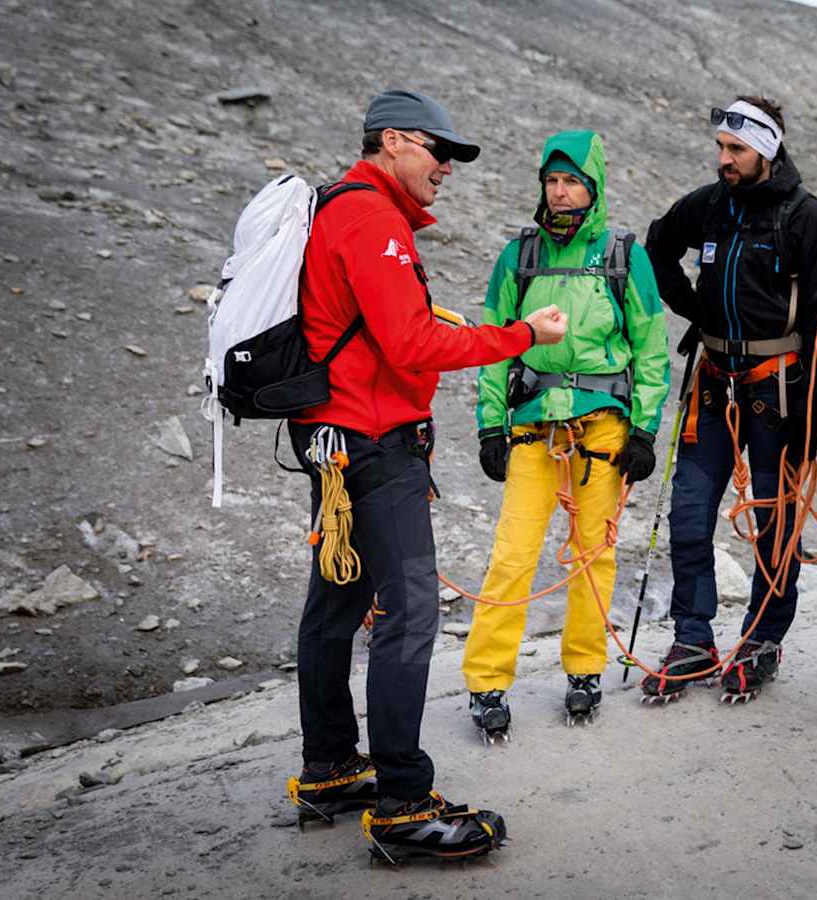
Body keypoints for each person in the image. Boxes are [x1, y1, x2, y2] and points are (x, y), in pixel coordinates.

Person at [284, 89, 566, 862]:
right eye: (439, 151)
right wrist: (520, 337)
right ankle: (405, 803)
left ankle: (333, 767)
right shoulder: (371, 217)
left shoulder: (339, 207)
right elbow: (410, 345)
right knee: (407, 614)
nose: (447, 168)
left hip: (336, 441)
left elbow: (384, 331)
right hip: (374, 446)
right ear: (395, 141)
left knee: (335, 604)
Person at [640, 96, 817, 703]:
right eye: (721, 148)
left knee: (773, 522)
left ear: (767, 149)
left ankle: (762, 637)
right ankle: (692, 639)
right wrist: (694, 308)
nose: (724, 159)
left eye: (737, 149)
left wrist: (815, 404)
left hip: (777, 387)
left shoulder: (806, 214)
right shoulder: (709, 205)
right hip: (711, 378)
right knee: (688, 513)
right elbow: (657, 247)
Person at [462, 130, 670, 735]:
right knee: (512, 556)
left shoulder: (623, 255)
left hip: (602, 428)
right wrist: (489, 426)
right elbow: (495, 346)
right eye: (552, 181)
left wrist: (645, 430)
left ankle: (585, 669)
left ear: (594, 187)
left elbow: (650, 347)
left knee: (592, 558)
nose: (559, 192)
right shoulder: (518, 257)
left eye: (571, 181)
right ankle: (487, 681)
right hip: (532, 431)